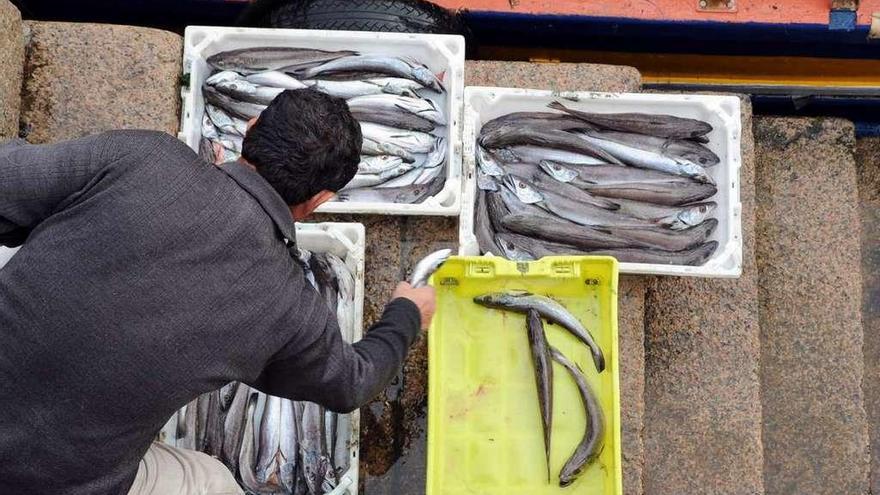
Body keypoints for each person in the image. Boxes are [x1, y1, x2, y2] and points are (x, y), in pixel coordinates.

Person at [0, 88, 436, 495]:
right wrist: (406, 314)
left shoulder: (144, 156)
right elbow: (351, 383)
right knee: (214, 481)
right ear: (320, 199)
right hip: (48, 483)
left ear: (250, 129)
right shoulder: (287, 305)